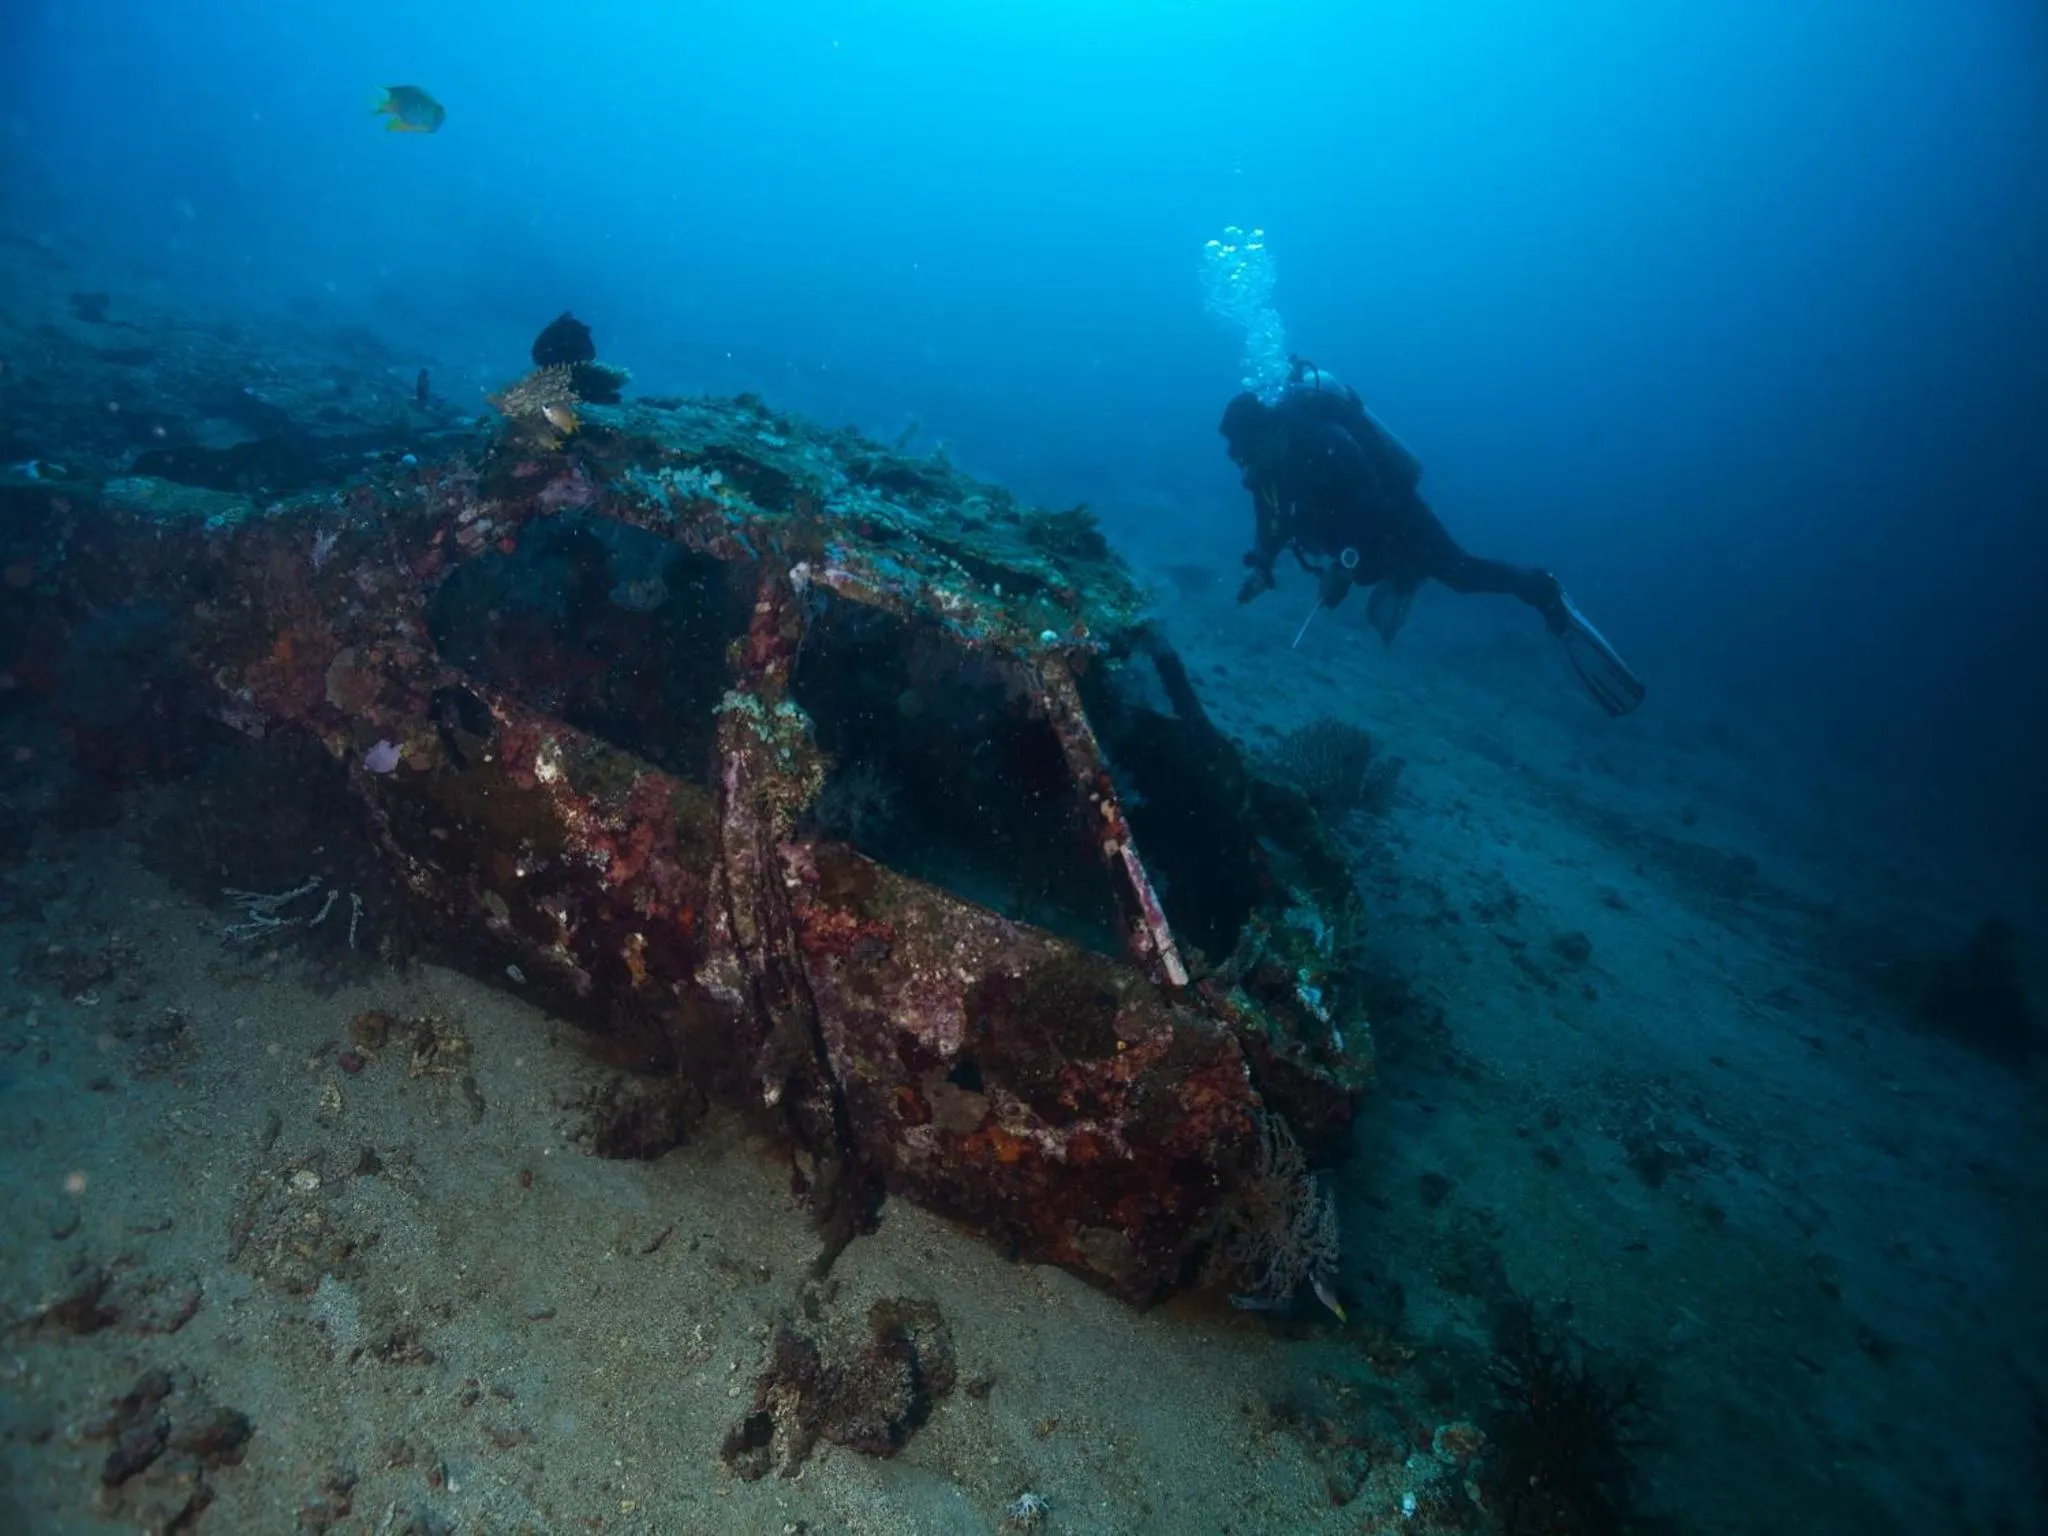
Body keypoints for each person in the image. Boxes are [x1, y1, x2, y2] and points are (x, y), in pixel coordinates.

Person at [1221, 358, 1646, 716]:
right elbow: (1271, 522)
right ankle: (1404, 571)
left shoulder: (1327, 441)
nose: (1246, 465)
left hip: (1395, 515)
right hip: (1347, 534)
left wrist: (1343, 567)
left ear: (1271, 431)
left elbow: (1371, 504)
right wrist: (1262, 567)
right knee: (1368, 570)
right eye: (1240, 457)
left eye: (1248, 451)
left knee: (1458, 573)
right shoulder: (1264, 470)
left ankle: (1541, 589)